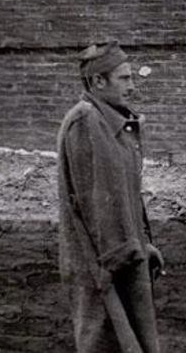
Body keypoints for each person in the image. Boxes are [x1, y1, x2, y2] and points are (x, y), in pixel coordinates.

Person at [57, 41, 163, 352]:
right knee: (106, 342)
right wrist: (128, 253)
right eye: (124, 78)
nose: (133, 86)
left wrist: (143, 244)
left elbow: (123, 197)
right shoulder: (86, 122)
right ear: (97, 81)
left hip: (125, 257)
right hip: (102, 266)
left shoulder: (113, 122)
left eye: (132, 77)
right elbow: (94, 209)